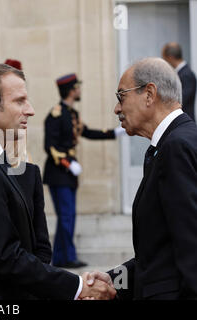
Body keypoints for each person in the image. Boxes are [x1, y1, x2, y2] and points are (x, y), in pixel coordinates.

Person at [0, 63, 116, 300]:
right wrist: (77, 287)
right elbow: (5, 257)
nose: (30, 110)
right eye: (19, 101)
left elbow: (32, 245)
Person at [91, 57, 197, 299]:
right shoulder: (171, 144)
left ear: (149, 94)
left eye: (121, 97)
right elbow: (159, 253)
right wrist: (113, 279)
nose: (116, 109)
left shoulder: (176, 147)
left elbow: (191, 246)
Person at [43, 73, 125, 269]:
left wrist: (113, 133)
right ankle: (65, 258)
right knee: (66, 216)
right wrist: (67, 163)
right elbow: (50, 146)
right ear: (71, 90)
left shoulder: (73, 114)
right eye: (77, 87)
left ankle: (64, 257)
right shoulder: (55, 114)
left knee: (69, 216)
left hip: (69, 173)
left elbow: (86, 132)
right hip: (59, 172)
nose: (80, 91)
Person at [162, 42, 196, 121]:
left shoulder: (186, 74)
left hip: (185, 122)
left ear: (170, 57)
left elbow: (180, 100)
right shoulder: (181, 73)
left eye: (165, 59)